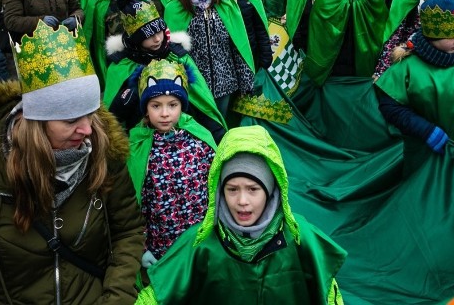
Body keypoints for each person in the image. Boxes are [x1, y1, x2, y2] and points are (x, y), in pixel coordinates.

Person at [0, 20, 144, 304]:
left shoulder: (103, 152)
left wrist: (115, 299)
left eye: (90, 114)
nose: (87, 130)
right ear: (36, 122)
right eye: (70, 120)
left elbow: (127, 232)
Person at [134, 126, 347, 304]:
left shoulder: (301, 238)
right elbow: (155, 296)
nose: (242, 201)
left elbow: (329, 294)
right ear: (219, 192)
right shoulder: (200, 244)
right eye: (232, 189)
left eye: (253, 189)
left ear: (271, 190)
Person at [377, 0, 454, 167]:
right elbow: (390, 106)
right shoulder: (407, 68)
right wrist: (424, 130)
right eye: (450, 36)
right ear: (431, 36)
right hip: (423, 154)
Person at [127, 59, 217, 271]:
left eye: (173, 105)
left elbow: (216, 184)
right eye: (156, 105)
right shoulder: (137, 148)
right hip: (160, 247)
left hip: (200, 239)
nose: (165, 113)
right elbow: (130, 203)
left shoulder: (199, 141)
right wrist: (141, 247)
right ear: (145, 107)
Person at [104, 0, 226, 137]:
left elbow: (201, 101)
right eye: (148, 36)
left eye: (159, 32)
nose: (157, 39)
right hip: (140, 136)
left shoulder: (178, 57)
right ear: (135, 40)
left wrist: (216, 133)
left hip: (182, 132)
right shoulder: (123, 65)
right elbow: (112, 117)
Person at [164, 0, 256, 119]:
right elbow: (171, 53)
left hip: (226, 82)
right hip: (195, 86)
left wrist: (246, 80)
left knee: (223, 124)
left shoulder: (225, 3)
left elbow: (238, 44)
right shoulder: (175, 9)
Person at [374, 0, 454, 78]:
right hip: (414, 58)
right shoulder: (404, 0)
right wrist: (381, 74)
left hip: (446, 54)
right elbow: (392, 38)